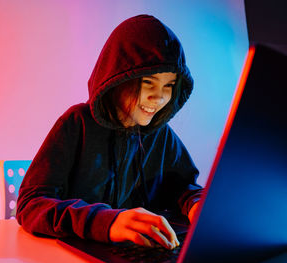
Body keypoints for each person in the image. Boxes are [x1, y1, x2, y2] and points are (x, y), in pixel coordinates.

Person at [16, 14, 202, 250]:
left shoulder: (161, 135)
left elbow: (184, 186)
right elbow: (30, 204)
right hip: (69, 256)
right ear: (119, 77)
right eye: (148, 82)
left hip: (134, 253)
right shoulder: (76, 124)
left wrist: (196, 204)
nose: (160, 97)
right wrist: (105, 222)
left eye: (169, 85)